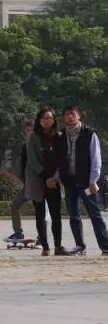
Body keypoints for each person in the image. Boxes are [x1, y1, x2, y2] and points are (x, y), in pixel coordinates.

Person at [57, 106, 108, 256]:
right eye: (66, 115)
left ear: (79, 116)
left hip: (87, 182)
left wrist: (93, 180)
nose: (69, 117)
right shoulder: (60, 136)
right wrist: (57, 178)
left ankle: (105, 246)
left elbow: (96, 159)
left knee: (95, 214)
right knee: (73, 215)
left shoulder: (89, 134)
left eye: (72, 114)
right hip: (69, 182)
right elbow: (58, 160)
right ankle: (80, 246)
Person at [25, 108, 65, 256]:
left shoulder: (60, 137)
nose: (46, 120)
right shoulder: (33, 138)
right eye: (43, 118)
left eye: (49, 118)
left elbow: (63, 159)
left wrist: (54, 178)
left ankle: (58, 246)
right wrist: (46, 177)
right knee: (40, 214)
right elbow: (32, 162)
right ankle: (45, 247)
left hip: (55, 181)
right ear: (39, 120)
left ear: (54, 119)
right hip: (38, 180)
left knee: (56, 215)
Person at [5, 120, 35, 245]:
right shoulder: (25, 146)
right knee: (15, 205)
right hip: (28, 184)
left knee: (41, 211)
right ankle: (18, 232)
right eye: (27, 131)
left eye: (31, 130)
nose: (28, 133)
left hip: (39, 185)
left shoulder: (40, 145)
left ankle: (42, 237)